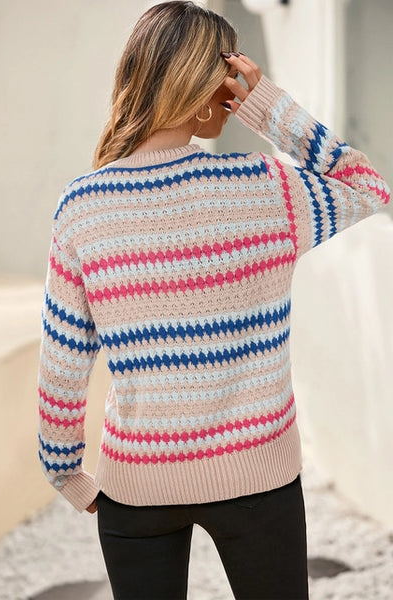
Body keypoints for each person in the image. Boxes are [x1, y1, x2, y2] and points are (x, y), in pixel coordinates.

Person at [37, 2, 390, 599]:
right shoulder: (265, 187)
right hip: (259, 476)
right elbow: (368, 187)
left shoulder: (83, 207)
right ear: (205, 86)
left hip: (137, 484)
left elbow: (63, 361)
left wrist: (65, 470)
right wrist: (267, 107)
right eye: (226, 77)